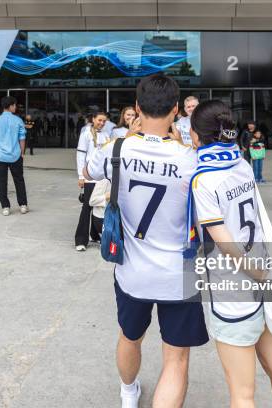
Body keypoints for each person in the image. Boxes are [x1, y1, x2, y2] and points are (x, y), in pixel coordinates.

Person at [84, 74, 208, 408]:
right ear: (176, 109)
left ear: (137, 108)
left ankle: (128, 393)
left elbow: (89, 171)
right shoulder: (190, 159)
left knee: (129, 335)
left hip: (131, 270)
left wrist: (130, 134)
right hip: (178, 272)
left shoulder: (117, 147)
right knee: (176, 358)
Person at [189, 99, 272, 408]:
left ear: (196, 135)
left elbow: (226, 245)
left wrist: (261, 277)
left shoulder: (203, 178)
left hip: (235, 293)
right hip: (266, 281)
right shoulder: (239, 163)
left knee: (242, 394)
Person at [75, 112, 110, 251]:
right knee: (87, 208)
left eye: (104, 121)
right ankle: (80, 240)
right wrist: (80, 176)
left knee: (100, 207)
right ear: (93, 119)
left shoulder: (106, 135)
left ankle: (95, 235)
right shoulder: (86, 134)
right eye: (99, 120)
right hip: (89, 177)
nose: (101, 123)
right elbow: (80, 155)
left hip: (102, 178)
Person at [0, 96, 28, 216]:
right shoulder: (18, 120)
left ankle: (5, 207)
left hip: (0, 156)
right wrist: (22, 152)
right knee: (19, 180)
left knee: (2, 181)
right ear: (10, 106)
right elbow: (22, 138)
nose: (15, 107)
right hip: (15, 154)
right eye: (15, 105)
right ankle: (23, 205)